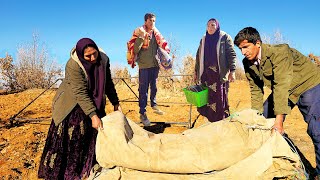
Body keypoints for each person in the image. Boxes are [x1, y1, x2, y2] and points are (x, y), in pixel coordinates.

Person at [234, 27, 320, 177]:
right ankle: (280, 157)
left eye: (246, 47)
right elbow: (256, 91)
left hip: (308, 84)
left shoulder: (279, 53)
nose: (243, 52)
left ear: (258, 43)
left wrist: (279, 123)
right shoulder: (248, 63)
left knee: (316, 130)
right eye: (240, 49)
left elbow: (281, 86)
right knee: (263, 122)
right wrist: (256, 116)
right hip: (286, 88)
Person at [38, 38, 121, 179]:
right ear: (82, 55)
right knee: (76, 134)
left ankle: (88, 165)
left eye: (94, 53)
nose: (93, 58)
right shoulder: (73, 64)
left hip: (95, 98)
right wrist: (93, 115)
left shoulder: (104, 59)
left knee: (95, 132)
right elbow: (80, 92)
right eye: (88, 56)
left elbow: (108, 83)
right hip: (72, 103)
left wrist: (116, 102)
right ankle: (69, 172)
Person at [127, 13, 170, 126]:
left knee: (154, 87)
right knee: (143, 91)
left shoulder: (156, 34)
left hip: (154, 66)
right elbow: (135, 49)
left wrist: (166, 56)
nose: (152, 23)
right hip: (144, 67)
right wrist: (141, 38)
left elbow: (162, 47)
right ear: (146, 21)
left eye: (154, 21)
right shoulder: (139, 32)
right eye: (150, 21)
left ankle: (154, 104)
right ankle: (143, 113)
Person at [194, 18, 237, 122]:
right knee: (206, 99)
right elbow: (198, 56)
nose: (210, 28)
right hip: (206, 75)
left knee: (219, 100)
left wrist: (233, 71)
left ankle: (221, 122)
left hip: (218, 75)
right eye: (208, 26)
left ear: (217, 26)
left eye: (213, 25)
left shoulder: (224, 37)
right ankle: (208, 122)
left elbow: (231, 54)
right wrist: (196, 72)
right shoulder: (203, 39)